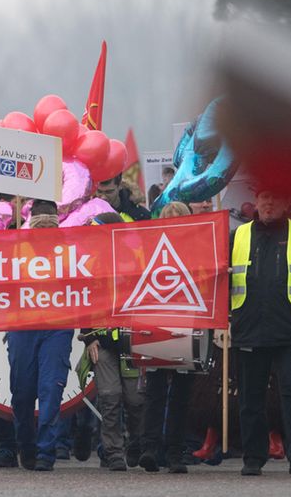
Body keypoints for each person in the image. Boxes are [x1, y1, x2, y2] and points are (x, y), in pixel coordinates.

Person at [230, 188, 291, 476]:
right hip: (250, 330)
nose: (269, 203)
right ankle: (253, 457)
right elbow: (222, 281)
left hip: (290, 333)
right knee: (250, 398)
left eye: (276, 197)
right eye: (264, 197)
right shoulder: (237, 236)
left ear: (286, 203)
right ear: (256, 202)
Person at [7, 200, 73, 472]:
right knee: (22, 393)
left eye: (50, 223)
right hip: (22, 326)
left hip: (57, 327)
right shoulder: (15, 249)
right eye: (40, 223)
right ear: (30, 222)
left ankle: (47, 451)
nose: (45, 228)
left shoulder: (70, 250)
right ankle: (26, 445)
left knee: (51, 389)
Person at [80, 212, 143, 471]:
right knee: (109, 396)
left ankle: (136, 444)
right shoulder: (88, 263)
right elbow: (82, 300)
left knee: (135, 400)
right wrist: (88, 337)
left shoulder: (135, 260)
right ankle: (113, 452)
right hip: (101, 341)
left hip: (131, 341)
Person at [137, 201, 196, 474]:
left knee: (181, 394)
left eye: (179, 220)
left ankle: (174, 452)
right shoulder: (150, 250)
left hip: (187, 324)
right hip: (157, 323)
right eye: (169, 219)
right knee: (155, 391)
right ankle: (150, 448)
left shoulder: (200, 250)